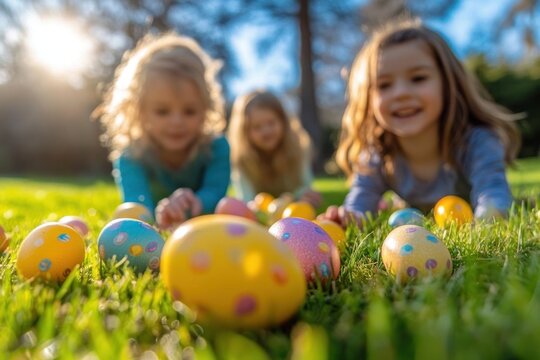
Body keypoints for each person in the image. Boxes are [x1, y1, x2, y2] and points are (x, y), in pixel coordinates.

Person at [320, 19, 520, 226]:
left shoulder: (477, 141)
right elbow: (359, 206)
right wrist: (346, 218)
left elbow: (493, 195)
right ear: (368, 99)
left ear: (448, 83)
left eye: (418, 78)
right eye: (384, 85)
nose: (401, 93)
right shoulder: (378, 154)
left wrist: (486, 219)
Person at [94, 33, 230, 230]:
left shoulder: (216, 147)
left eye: (189, 111)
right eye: (162, 111)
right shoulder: (131, 155)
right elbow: (137, 206)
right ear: (140, 110)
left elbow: (215, 193)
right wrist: (155, 215)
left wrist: (191, 204)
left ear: (205, 109)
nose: (176, 122)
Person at [227, 90, 322, 208]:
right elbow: (247, 199)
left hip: (293, 211)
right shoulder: (241, 159)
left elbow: (304, 185)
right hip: (259, 215)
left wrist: (304, 196)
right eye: (257, 127)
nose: (266, 131)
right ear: (245, 132)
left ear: (283, 121)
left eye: (271, 123)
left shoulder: (298, 149)